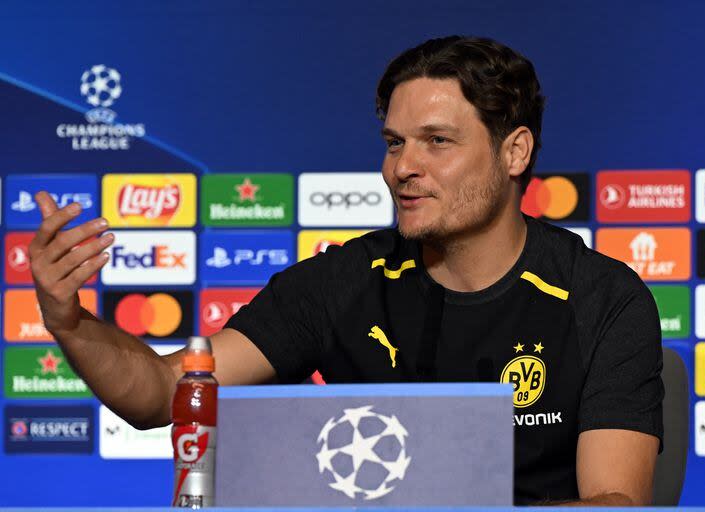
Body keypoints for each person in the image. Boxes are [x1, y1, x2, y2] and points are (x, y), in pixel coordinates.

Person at [30, 36, 662, 506]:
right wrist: (71, 322)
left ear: (514, 151)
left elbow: (613, 503)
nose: (401, 168)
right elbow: (162, 395)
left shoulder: (601, 297)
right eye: (394, 143)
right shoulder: (344, 281)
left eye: (436, 142)